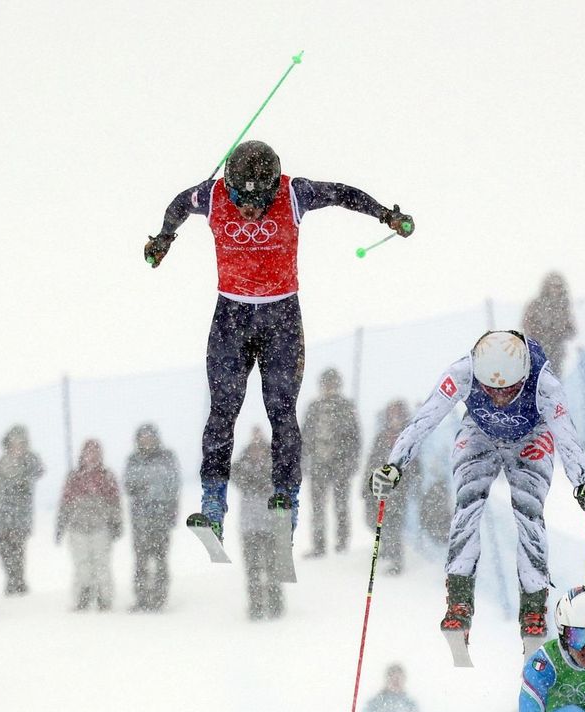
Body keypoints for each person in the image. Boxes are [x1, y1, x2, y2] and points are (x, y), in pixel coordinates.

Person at [144, 140, 414, 543]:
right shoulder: (214, 194)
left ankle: (286, 498)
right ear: (230, 189)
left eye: (259, 204)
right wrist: (164, 238)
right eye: (242, 203)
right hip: (231, 318)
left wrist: (384, 215)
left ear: (273, 191)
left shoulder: (293, 193)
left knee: (281, 411)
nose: (250, 213)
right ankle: (214, 500)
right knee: (223, 412)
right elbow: (179, 204)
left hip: (280, 319)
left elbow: (341, 194)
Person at [370, 330, 585, 642]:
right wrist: (394, 465)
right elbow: (425, 419)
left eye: (509, 390)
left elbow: (567, 437)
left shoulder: (544, 383)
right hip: (479, 432)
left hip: (530, 436)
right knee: (467, 503)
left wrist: (584, 485)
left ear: (523, 376)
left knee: (529, 512)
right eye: (490, 389)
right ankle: (459, 600)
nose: (499, 397)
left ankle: (533, 607)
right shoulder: (462, 372)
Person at [301, 368, 361, 558]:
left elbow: (355, 437)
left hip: (340, 464)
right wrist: (303, 461)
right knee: (317, 507)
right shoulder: (313, 408)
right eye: (326, 383)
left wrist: (350, 462)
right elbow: (304, 437)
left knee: (341, 505)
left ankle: (342, 543)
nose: (328, 386)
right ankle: (319, 545)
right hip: (318, 464)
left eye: (332, 382)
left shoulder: (346, 407)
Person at [56, 440, 122, 612]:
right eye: (88, 453)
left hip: (101, 529)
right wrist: (60, 526)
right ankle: (82, 597)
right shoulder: (74, 477)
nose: (91, 457)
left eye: (95, 453)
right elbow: (65, 504)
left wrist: (117, 523)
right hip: (78, 529)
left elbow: (115, 502)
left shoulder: (106, 476)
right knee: (82, 566)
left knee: (102, 565)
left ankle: (104, 598)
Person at [124, 423, 181, 611]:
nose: (146, 441)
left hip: (161, 519)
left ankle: (159, 597)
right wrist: (145, 486)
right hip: (140, 520)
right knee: (140, 561)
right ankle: (141, 598)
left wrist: (170, 510)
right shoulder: (133, 460)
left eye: (149, 437)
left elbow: (173, 485)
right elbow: (129, 484)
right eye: (143, 437)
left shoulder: (167, 458)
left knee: (160, 559)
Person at [231, 428, 283, 621]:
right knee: (252, 569)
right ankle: (256, 605)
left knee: (271, 567)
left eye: (260, 448)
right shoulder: (242, 467)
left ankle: (275, 604)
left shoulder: (275, 465)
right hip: (249, 527)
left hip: (270, 525)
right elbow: (235, 475)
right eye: (253, 448)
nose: (256, 452)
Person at [0, 425, 45, 595]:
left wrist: (25, 458)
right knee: (4, 551)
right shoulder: (2, 462)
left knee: (17, 551)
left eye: (21, 442)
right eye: (14, 441)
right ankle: (13, 581)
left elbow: (38, 470)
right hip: (2, 517)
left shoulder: (29, 461)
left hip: (20, 517)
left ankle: (17, 583)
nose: (17, 446)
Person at [362, 400, 412, 576]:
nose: (394, 419)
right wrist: (366, 486)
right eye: (391, 415)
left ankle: (397, 560)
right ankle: (386, 546)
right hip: (378, 487)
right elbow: (371, 461)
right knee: (372, 520)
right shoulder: (381, 436)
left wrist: (397, 484)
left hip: (397, 490)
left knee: (393, 524)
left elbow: (413, 467)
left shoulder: (408, 438)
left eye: (398, 415)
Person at [521, 272, 576, 377]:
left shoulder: (563, 306)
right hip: (537, 353)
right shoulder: (536, 304)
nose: (556, 290)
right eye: (554, 286)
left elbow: (572, 330)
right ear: (547, 287)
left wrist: (559, 333)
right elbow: (526, 326)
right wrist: (542, 333)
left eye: (559, 286)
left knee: (554, 382)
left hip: (556, 354)